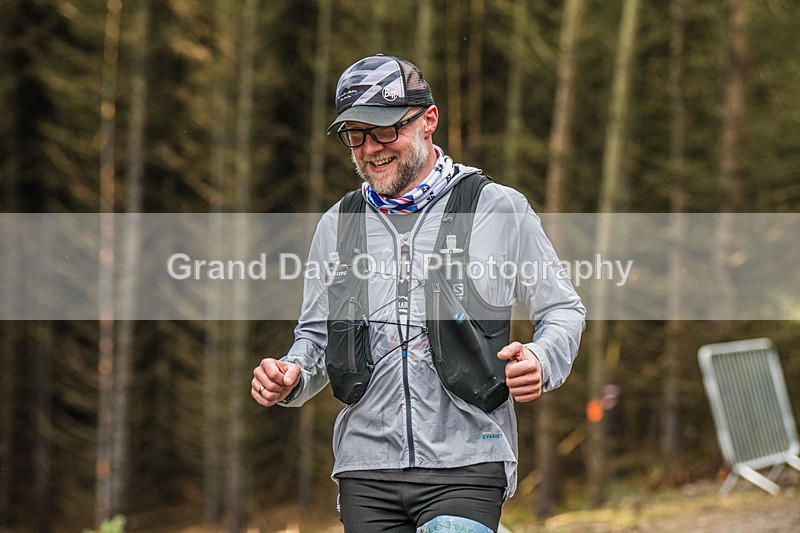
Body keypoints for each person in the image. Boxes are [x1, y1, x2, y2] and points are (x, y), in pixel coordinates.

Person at [252, 54, 585, 533]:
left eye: (386, 130)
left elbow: (562, 310)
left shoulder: (496, 208)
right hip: (364, 466)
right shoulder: (336, 225)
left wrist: (540, 357)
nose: (371, 148)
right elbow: (316, 340)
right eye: (356, 135)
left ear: (429, 120)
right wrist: (290, 375)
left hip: (468, 458)